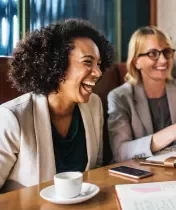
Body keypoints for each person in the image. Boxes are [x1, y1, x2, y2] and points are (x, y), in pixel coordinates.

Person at [0, 19, 114, 192]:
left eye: (98, 64)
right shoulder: (12, 117)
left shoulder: (94, 105)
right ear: (57, 65)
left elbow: (95, 169)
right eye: (87, 62)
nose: (98, 72)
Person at [107, 26, 176, 162]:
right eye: (153, 53)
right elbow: (120, 152)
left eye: (167, 52)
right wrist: (173, 132)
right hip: (138, 173)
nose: (164, 60)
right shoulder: (119, 96)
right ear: (136, 62)